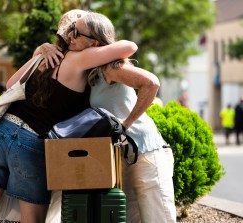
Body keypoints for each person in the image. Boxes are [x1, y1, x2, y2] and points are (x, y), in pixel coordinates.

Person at [0, 10, 137, 223]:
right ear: (96, 42)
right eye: (72, 31)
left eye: (77, 32)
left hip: (0, 133)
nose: (72, 36)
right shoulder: (79, 58)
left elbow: (11, 85)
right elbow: (130, 46)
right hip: (30, 143)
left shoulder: (45, 55)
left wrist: (40, 50)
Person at [37, 12, 176, 223]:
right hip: (121, 157)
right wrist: (43, 47)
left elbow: (152, 83)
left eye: (76, 32)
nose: (70, 37)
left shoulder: (111, 67)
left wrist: (126, 123)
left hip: (146, 152)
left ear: (96, 42)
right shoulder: (88, 71)